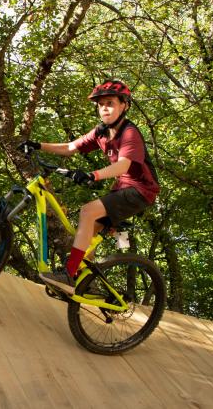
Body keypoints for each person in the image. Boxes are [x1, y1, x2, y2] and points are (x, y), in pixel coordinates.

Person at [18, 80, 160, 294]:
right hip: (121, 189)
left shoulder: (129, 133)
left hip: (140, 190)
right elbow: (69, 147)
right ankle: (87, 284)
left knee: (87, 211)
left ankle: (69, 274)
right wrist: (37, 145)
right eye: (101, 104)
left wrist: (92, 175)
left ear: (125, 105)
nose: (104, 108)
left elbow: (123, 166)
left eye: (110, 103)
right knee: (88, 236)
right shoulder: (101, 132)